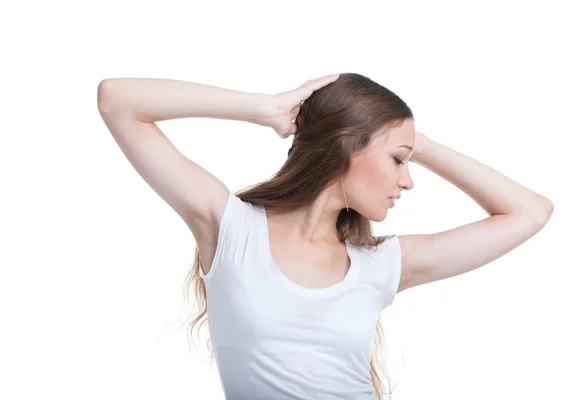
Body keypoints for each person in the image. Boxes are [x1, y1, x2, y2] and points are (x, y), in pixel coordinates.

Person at [97, 73, 553, 399]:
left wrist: (415, 142)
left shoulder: (381, 264)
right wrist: (262, 108)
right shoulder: (232, 229)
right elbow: (117, 99)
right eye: (399, 160)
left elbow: (531, 212)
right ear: (346, 144)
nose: (408, 180)